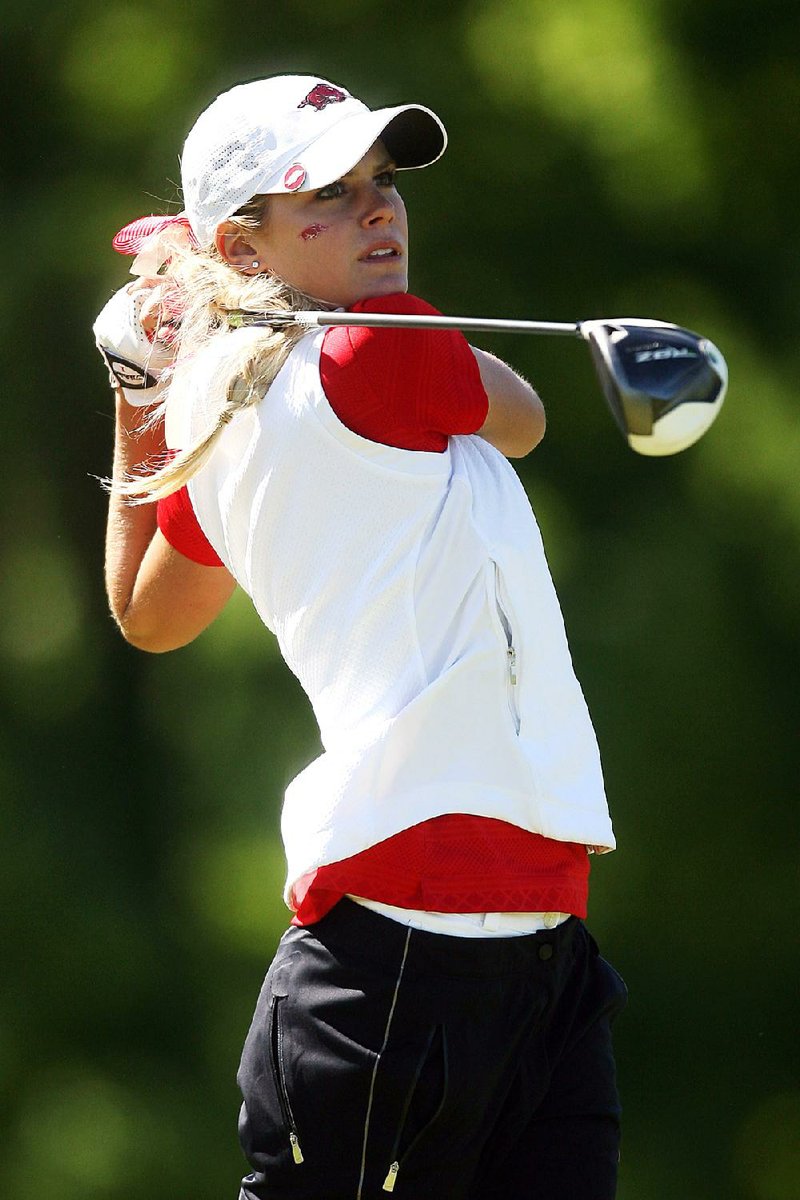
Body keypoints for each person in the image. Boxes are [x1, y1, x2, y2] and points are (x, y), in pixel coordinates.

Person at [94, 74, 627, 1200]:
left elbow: (147, 611)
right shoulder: (372, 350)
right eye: (326, 198)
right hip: (405, 942)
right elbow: (523, 420)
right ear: (243, 248)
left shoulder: (223, 409)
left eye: (380, 185)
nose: (380, 211)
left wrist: (144, 386)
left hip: (527, 945)